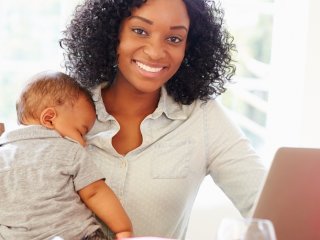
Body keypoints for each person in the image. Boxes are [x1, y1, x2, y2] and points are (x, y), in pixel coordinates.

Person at [60, 0, 266, 239]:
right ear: (112, 32)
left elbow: (266, 204)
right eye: (140, 31)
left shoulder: (203, 116)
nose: (156, 52)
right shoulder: (63, 103)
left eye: (174, 39)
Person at [0, 71, 133, 240]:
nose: (84, 142)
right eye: (81, 131)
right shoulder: (68, 148)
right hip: (76, 235)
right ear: (49, 119)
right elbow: (94, 192)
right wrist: (123, 229)